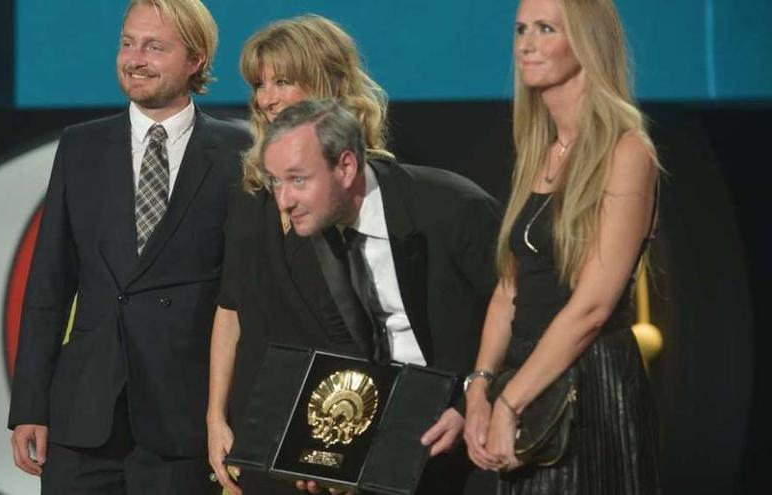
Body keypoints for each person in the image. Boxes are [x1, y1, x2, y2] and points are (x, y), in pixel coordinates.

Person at [7, 0, 250, 493]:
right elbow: (50, 285)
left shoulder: (239, 154)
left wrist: (228, 413)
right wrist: (30, 405)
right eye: (127, 43)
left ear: (196, 59)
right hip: (84, 419)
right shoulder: (81, 147)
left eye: (154, 46)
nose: (134, 58)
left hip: (182, 423)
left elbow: (244, 295)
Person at [214, 96, 501, 495]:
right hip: (392, 441)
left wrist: (469, 402)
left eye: (298, 179)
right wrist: (323, 450)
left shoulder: (454, 209)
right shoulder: (316, 229)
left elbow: (525, 320)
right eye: (275, 181)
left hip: (476, 441)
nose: (284, 200)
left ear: (346, 166)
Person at [462, 0, 661, 493]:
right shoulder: (541, 150)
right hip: (528, 376)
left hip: (590, 383)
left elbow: (593, 306)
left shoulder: (626, 151)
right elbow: (510, 287)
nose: (526, 43)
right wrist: (481, 389)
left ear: (587, 42)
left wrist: (512, 402)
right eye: (521, 29)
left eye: (545, 29)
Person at [207, 15, 395, 494]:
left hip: (337, 421)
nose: (265, 98)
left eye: (282, 81)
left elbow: (389, 329)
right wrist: (215, 417)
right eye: (259, 84)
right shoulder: (250, 189)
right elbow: (231, 310)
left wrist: (357, 442)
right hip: (253, 424)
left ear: (327, 82)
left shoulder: (367, 190)